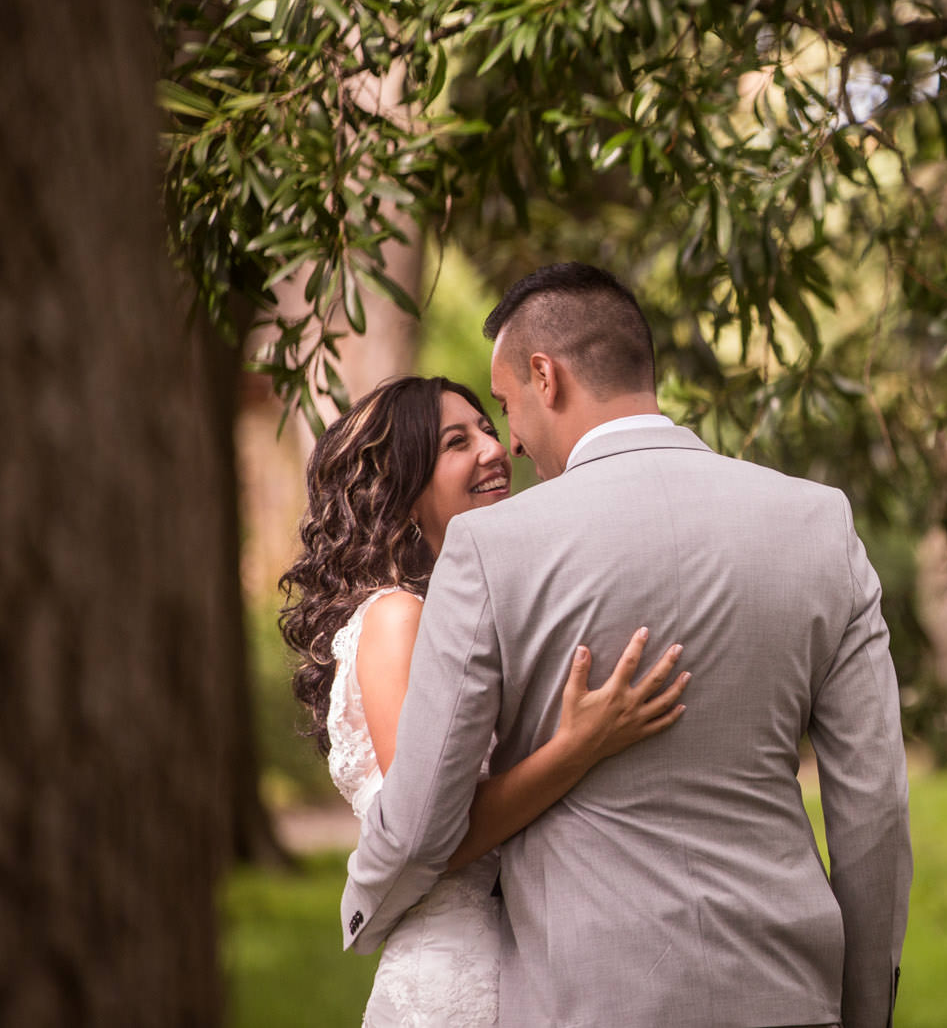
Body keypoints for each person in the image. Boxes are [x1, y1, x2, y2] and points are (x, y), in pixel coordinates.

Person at [341, 262, 913, 1028]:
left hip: (589, 1002)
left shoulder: (492, 549)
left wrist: (362, 903)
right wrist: (864, 1009)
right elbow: (873, 813)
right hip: (787, 993)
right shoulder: (820, 523)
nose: (510, 442)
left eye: (505, 407)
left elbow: (418, 822)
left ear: (546, 376)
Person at [281, 375, 690, 1027]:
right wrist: (579, 744)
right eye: (456, 441)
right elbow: (434, 830)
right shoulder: (396, 619)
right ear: (405, 489)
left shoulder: (461, 612)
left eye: (487, 428)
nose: (494, 449)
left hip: (530, 966)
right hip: (457, 980)